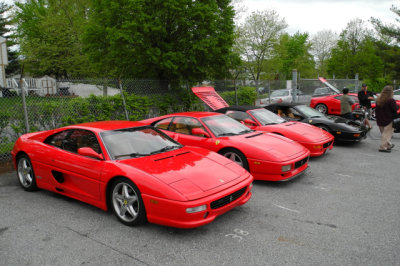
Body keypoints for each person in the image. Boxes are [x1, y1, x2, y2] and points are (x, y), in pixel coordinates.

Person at [375, 85, 398, 153]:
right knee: (387, 134)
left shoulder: (378, 99)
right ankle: (383, 147)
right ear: (390, 92)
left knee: (384, 134)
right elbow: (395, 109)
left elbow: (376, 110)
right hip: (388, 119)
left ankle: (388, 145)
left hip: (380, 119)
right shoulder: (391, 100)